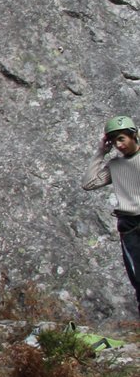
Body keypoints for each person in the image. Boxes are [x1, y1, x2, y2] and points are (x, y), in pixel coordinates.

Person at [82, 115, 140, 316]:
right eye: (115, 141)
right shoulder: (114, 166)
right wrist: (100, 151)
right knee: (138, 279)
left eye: (122, 138)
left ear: (134, 136)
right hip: (130, 225)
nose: (119, 145)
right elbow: (89, 183)